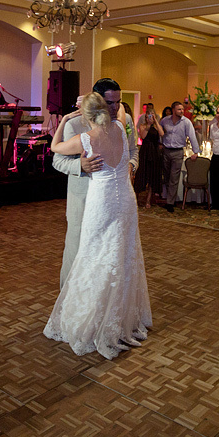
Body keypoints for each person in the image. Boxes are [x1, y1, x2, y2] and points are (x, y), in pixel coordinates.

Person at [44, 93, 151, 360]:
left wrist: (65, 118)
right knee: (122, 256)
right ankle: (121, 318)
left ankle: (96, 319)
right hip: (126, 200)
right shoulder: (119, 125)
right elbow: (123, 111)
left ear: (85, 116)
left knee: (93, 257)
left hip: (101, 203)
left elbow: (54, 148)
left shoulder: (86, 138)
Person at [52, 78, 139, 289]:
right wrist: (79, 166)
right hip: (83, 199)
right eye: (110, 103)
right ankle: (70, 298)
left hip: (115, 201)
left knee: (111, 254)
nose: (115, 107)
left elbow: (133, 150)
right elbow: (57, 159)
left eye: (118, 102)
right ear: (96, 101)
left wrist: (131, 165)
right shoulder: (75, 123)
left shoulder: (123, 121)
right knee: (77, 251)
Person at [160, 101, 200, 213]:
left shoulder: (186, 122)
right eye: (179, 109)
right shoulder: (165, 120)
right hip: (166, 150)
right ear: (173, 110)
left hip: (178, 152)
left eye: (182, 109)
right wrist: (159, 144)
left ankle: (170, 203)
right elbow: (160, 131)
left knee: (174, 177)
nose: (182, 111)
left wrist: (195, 151)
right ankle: (168, 198)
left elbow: (192, 136)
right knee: (167, 176)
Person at [134, 103, 163, 208]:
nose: (148, 118)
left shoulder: (156, 125)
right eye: (147, 116)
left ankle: (148, 200)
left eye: (150, 116)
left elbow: (162, 133)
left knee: (152, 176)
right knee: (141, 175)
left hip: (154, 152)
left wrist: (155, 122)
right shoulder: (143, 126)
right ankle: (136, 198)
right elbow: (143, 136)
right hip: (145, 151)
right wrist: (149, 125)